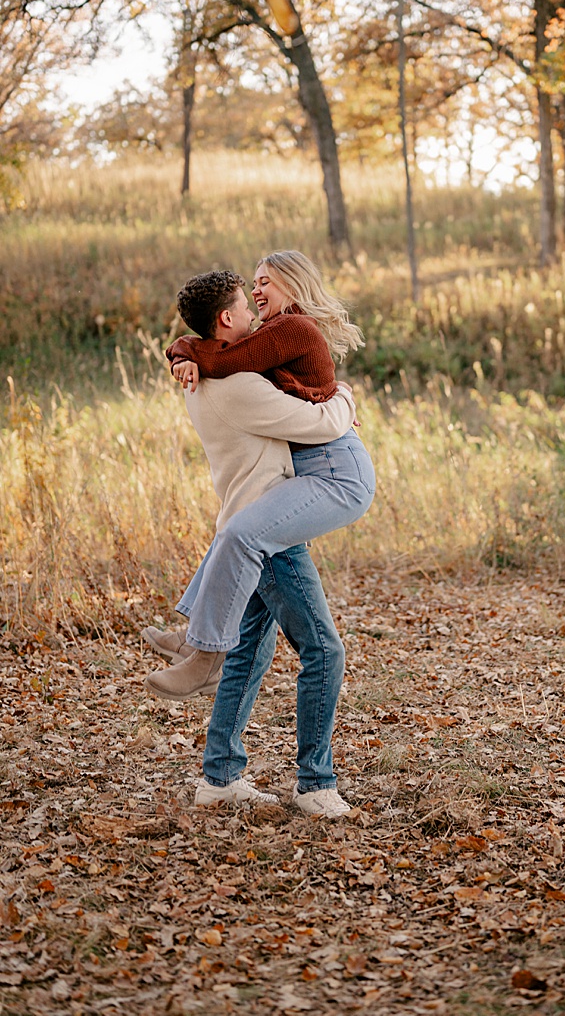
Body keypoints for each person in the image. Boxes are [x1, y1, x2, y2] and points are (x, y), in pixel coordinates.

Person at [143, 268, 362, 815]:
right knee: (323, 649)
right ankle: (316, 784)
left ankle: (220, 776)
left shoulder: (211, 374)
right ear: (226, 319)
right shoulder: (237, 383)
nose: (253, 312)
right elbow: (316, 422)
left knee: (252, 648)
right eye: (245, 304)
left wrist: (180, 352)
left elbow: (208, 351)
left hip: (258, 513)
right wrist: (346, 401)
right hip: (265, 522)